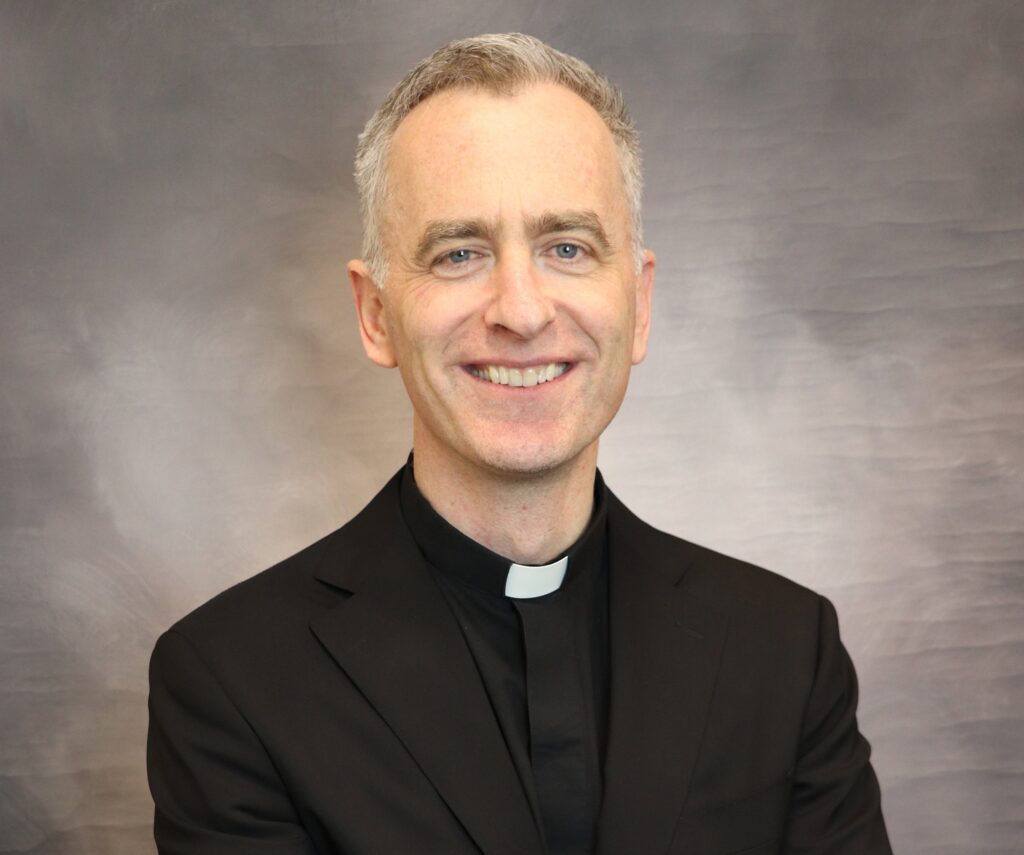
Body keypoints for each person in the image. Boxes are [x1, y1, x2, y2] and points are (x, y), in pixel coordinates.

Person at [146, 33, 892, 855]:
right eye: (459, 252)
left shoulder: (786, 652)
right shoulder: (234, 680)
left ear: (638, 303)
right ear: (374, 314)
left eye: (567, 247)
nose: (522, 311)